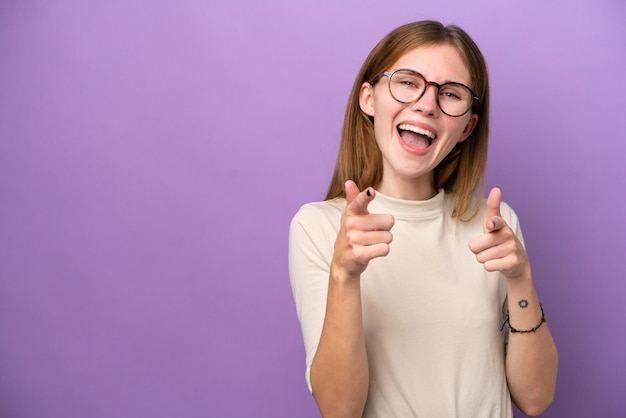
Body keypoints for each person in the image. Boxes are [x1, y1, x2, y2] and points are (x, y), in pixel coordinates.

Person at [288, 20, 558, 418]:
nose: (427, 104)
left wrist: (521, 279)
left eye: (450, 93)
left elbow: (536, 398)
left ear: (467, 127)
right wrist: (344, 274)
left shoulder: (495, 226)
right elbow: (339, 409)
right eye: (409, 82)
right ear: (369, 99)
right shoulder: (319, 227)